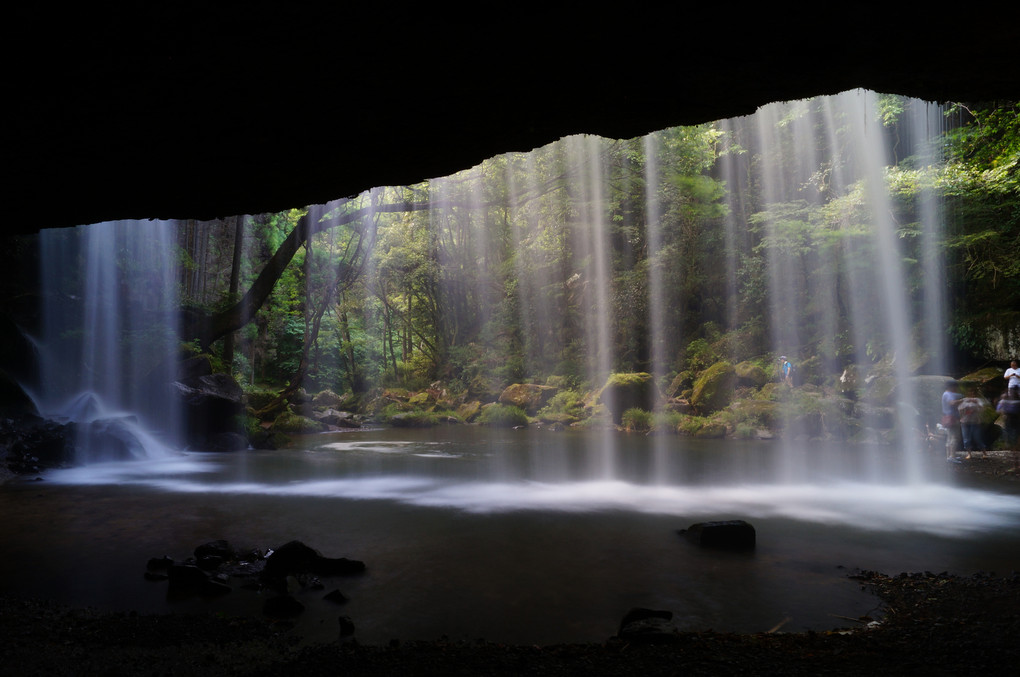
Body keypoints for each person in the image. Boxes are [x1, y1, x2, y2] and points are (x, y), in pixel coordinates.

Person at [957, 386, 988, 459]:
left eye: (973, 393)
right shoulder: (964, 400)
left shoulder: (978, 400)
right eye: (970, 393)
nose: (971, 394)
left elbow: (982, 408)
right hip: (965, 421)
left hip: (975, 422)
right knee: (966, 439)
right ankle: (969, 454)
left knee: (977, 438)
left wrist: (976, 404)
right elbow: (959, 409)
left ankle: (984, 453)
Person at [941, 380, 963, 460]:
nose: (956, 388)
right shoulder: (949, 394)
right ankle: (952, 456)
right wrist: (962, 400)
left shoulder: (945, 393)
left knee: (949, 437)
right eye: (955, 387)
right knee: (955, 437)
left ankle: (949, 456)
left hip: (947, 417)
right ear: (952, 387)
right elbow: (952, 403)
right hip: (952, 418)